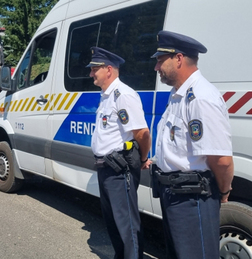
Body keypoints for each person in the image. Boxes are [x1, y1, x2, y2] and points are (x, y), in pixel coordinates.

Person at [151, 30, 234, 259]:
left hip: (193, 198)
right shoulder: (178, 93)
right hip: (174, 195)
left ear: (178, 58)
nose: (156, 68)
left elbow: (222, 160)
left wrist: (224, 191)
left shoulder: (201, 97)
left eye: (160, 60)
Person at [89, 47, 151, 259]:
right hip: (105, 168)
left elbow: (142, 133)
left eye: (94, 69)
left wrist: (142, 159)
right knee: (113, 223)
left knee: (127, 226)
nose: (91, 74)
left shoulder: (123, 95)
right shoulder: (106, 96)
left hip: (119, 169)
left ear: (108, 69)